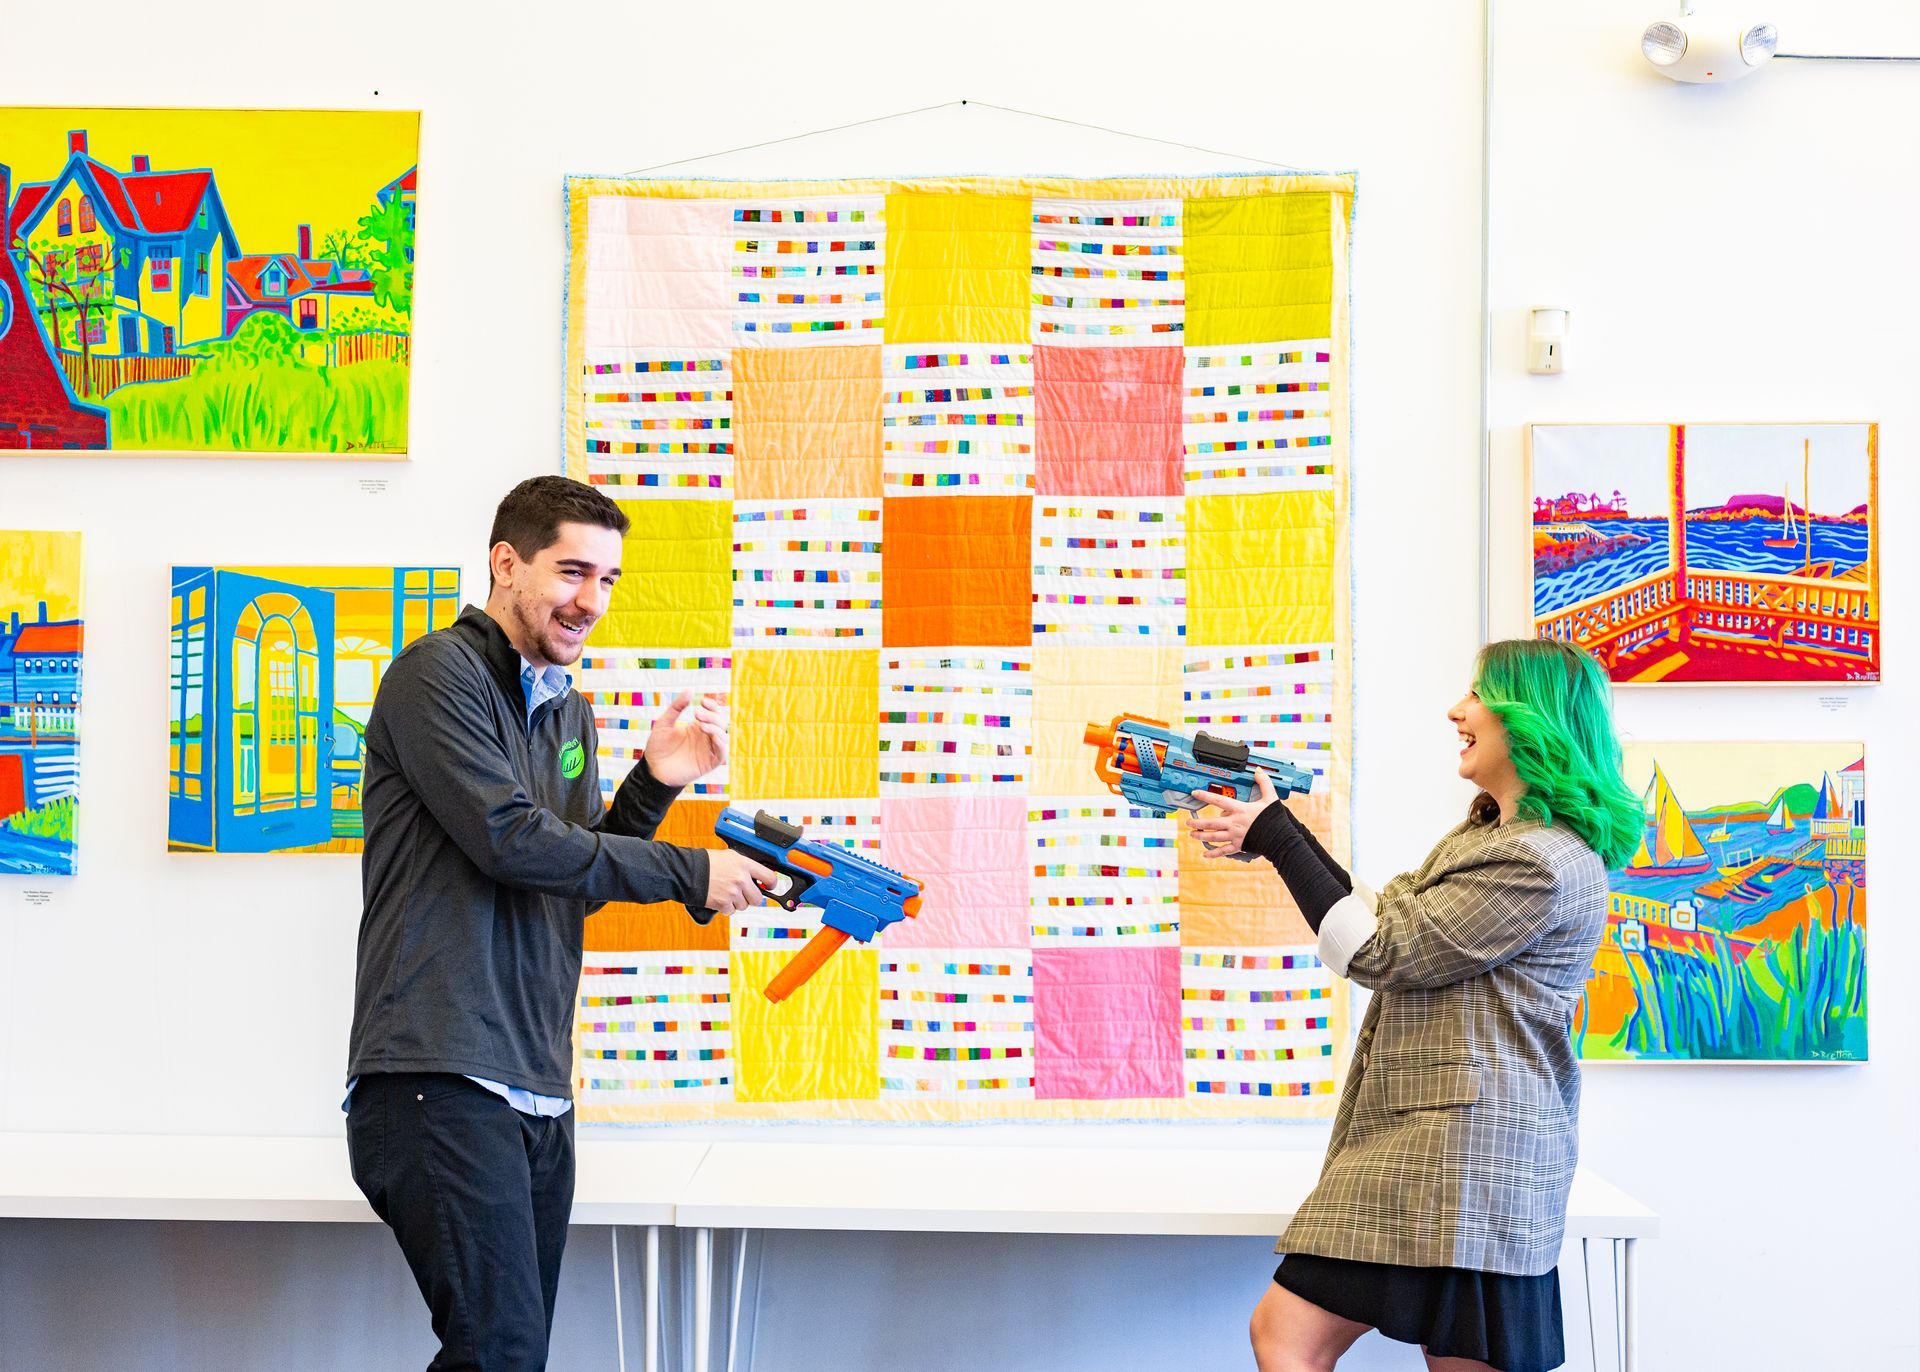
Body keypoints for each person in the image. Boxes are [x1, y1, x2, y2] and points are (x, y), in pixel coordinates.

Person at [345, 475, 776, 1371]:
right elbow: (509, 839)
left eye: (609, 579)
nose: (592, 601)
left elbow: (566, 873)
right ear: (506, 564)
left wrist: (654, 784)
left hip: (536, 1085)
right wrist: (694, 870)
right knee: (498, 1354)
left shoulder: (568, 711)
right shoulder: (437, 675)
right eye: (573, 571)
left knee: (507, 1356)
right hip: (439, 1074)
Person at [1188, 639, 1641, 1372]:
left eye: (1478, 696)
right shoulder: (1493, 836)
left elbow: (1381, 952)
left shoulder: (1540, 860)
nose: (1457, 711)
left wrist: (1279, 835)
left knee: (1292, 1335)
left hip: (1470, 1159)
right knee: (1287, 1334)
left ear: (1531, 721)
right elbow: (1390, 915)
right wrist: (1273, 839)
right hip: (1438, 1154)